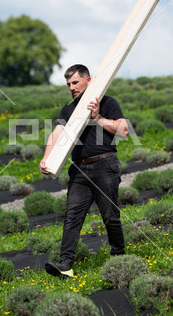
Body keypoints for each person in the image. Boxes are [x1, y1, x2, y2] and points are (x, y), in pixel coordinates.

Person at [39, 64, 128, 278]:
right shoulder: (68, 109)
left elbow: (123, 131)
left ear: (88, 80)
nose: (71, 87)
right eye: (68, 84)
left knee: (110, 216)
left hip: (105, 165)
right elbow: (56, 134)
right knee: (72, 217)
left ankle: (120, 257)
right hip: (79, 170)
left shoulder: (107, 102)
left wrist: (98, 118)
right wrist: (46, 158)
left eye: (75, 82)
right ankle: (65, 265)